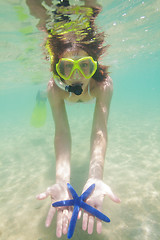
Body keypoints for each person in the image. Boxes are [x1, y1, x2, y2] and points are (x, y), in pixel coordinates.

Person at [26, 0, 120, 238]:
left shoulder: (102, 86)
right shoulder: (56, 89)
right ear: (57, 69)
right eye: (68, 68)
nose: (77, 77)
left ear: (94, 66)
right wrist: (61, 179)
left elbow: (100, 130)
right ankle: (39, 99)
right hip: (53, 94)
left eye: (85, 66)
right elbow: (62, 133)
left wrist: (95, 177)